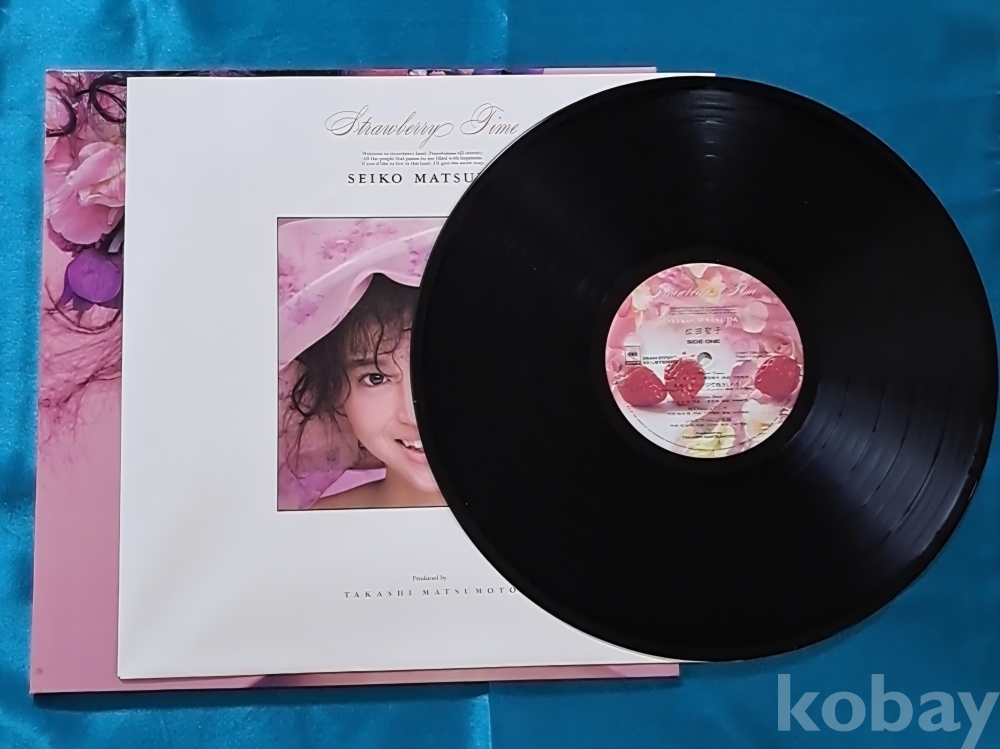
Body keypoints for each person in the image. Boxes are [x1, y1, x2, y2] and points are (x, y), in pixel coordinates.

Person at [289, 274, 444, 509]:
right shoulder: (315, 528)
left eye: (438, 370)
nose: (414, 416)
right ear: (336, 392)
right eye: (376, 378)